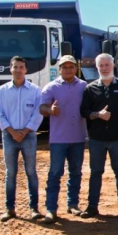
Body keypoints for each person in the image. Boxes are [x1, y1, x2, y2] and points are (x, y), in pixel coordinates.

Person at [79, 53, 118, 218]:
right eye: (100, 66)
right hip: (97, 139)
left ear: (113, 66)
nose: (104, 68)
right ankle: (92, 206)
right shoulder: (90, 89)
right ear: (97, 68)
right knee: (96, 172)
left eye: (106, 65)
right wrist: (98, 114)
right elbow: (84, 111)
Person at [39, 55, 88, 224]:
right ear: (59, 69)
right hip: (58, 139)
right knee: (55, 173)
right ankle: (51, 209)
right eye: (64, 67)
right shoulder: (51, 87)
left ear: (76, 68)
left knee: (75, 173)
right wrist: (50, 110)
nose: (68, 69)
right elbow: (42, 108)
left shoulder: (83, 86)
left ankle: (73, 204)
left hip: (78, 137)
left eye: (71, 67)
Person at [0, 56, 45, 222]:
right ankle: (9, 209)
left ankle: (34, 209)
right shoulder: (2, 91)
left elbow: (38, 114)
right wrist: (12, 131)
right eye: (15, 67)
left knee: (31, 172)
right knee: (11, 173)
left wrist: (23, 131)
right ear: (10, 68)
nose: (18, 70)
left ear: (26, 69)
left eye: (21, 67)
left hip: (28, 136)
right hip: (9, 136)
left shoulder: (35, 90)